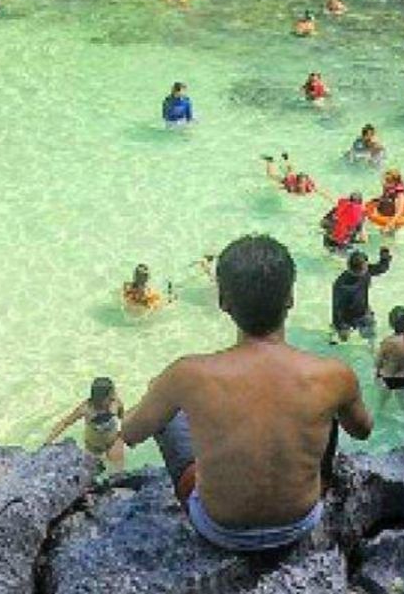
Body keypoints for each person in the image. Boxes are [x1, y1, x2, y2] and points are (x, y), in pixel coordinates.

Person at [119, 235, 373, 552]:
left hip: (219, 528)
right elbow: (363, 430)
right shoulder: (334, 375)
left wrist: (159, 392)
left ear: (223, 301)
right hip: (301, 520)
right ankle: (317, 485)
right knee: (330, 412)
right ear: (291, 297)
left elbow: (129, 432)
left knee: (167, 414)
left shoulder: (187, 374)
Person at [48, 376, 126, 474]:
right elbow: (65, 423)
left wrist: (122, 436)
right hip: (93, 447)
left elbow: (123, 418)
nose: (113, 397)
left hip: (113, 442)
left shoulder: (116, 403)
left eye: (113, 394)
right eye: (110, 396)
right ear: (100, 397)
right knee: (90, 475)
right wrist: (49, 440)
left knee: (117, 473)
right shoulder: (86, 408)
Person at [329, 247, 393, 343]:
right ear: (361, 268)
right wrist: (341, 327)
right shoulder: (341, 285)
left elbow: (380, 269)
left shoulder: (365, 271)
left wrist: (385, 257)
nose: (368, 267)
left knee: (371, 337)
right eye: (366, 265)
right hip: (346, 317)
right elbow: (337, 308)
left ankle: (372, 349)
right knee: (342, 341)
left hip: (363, 313)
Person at [374, 306, 404, 408]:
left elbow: (378, 362)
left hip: (389, 378)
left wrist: (377, 375)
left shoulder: (388, 342)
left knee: (381, 403)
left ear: (391, 324)